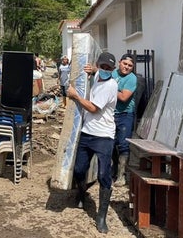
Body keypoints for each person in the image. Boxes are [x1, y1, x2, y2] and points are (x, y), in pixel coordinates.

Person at [66, 51, 118, 234]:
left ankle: (101, 217)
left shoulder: (111, 86)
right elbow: (96, 72)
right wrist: (93, 70)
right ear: (99, 64)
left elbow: (93, 108)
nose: (105, 70)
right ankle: (81, 193)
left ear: (113, 69)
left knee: (104, 174)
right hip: (87, 132)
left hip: (104, 136)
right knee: (79, 169)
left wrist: (75, 96)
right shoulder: (98, 75)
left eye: (109, 68)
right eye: (102, 66)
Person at [111, 53, 137, 187]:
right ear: (119, 62)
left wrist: (108, 87)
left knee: (123, 144)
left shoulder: (132, 79)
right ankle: (114, 169)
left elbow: (123, 97)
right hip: (110, 114)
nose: (126, 67)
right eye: (125, 64)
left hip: (125, 114)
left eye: (130, 66)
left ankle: (121, 175)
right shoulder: (112, 73)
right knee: (110, 142)